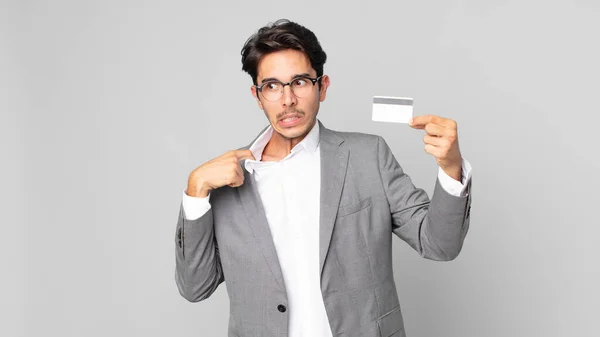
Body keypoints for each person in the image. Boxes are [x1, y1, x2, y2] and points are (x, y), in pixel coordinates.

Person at [174, 19, 473, 337]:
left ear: (322, 86)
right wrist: (195, 192)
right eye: (272, 86)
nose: (287, 99)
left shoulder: (367, 155)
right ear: (257, 96)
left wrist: (451, 167)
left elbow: (439, 245)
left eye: (300, 82)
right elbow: (196, 287)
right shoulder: (226, 179)